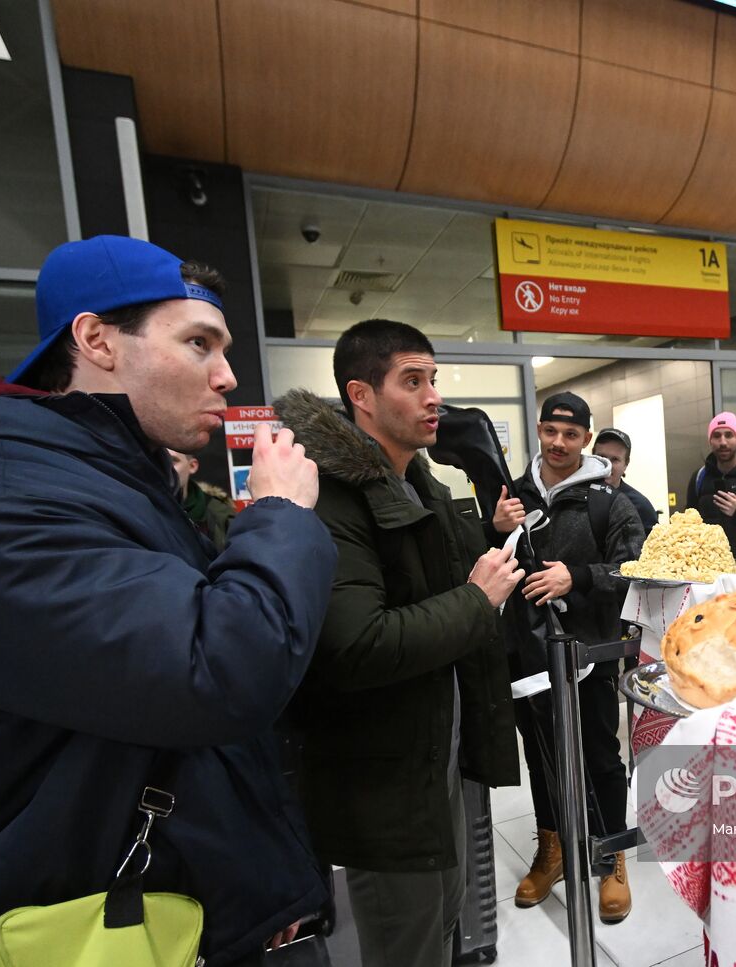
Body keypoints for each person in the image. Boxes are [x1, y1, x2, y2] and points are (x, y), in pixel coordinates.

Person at [0, 235, 336, 965]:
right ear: (95, 339)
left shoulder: (109, 480)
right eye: (198, 343)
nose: (227, 375)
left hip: (193, 912)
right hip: (110, 928)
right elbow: (215, 670)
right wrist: (281, 516)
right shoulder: (0, 500)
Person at [275, 319, 523, 967]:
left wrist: (490, 536)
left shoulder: (420, 482)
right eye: (413, 381)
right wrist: (478, 599)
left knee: (443, 929)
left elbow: (447, 578)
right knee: (406, 944)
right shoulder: (334, 496)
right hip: (382, 783)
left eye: (434, 379)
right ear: (362, 394)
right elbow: (358, 643)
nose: (433, 395)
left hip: (432, 761)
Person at [491, 391, 644, 923]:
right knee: (542, 753)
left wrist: (575, 576)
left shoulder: (608, 502)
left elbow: (634, 570)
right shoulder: (510, 493)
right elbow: (481, 566)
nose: (559, 443)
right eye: (551, 432)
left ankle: (609, 856)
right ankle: (553, 850)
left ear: (586, 438)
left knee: (600, 753)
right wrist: (494, 529)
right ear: (539, 429)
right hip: (530, 655)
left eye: (571, 434)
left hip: (593, 654)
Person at [685, 411, 736, 559]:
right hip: (709, 564)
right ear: (710, 441)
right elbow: (689, 523)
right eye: (716, 436)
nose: (723, 442)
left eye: (729, 435)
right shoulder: (699, 477)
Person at [593, 426, 660, 533]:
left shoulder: (641, 506)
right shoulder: (575, 496)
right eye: (602, 457)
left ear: (626, 464)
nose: (607, 465)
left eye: (615, 459)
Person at [168, 447, 237, 551]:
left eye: (172, 461)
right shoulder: (141, 509)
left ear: (192, 466)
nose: (164, 467)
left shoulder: (219, 516)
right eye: (158, 461)